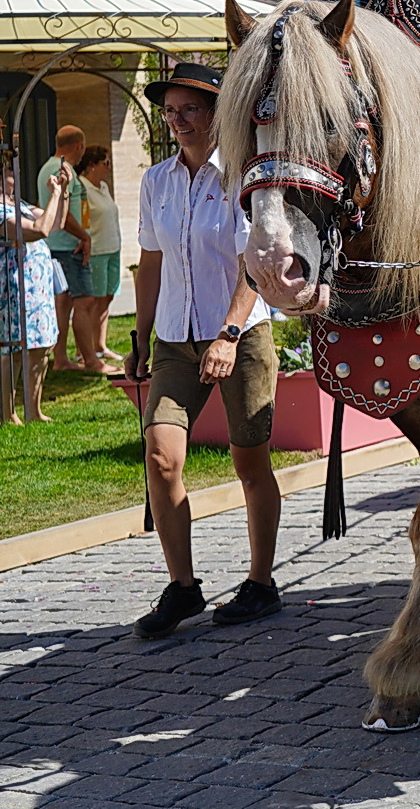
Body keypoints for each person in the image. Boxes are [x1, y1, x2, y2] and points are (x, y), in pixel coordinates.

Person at [125, 63, 282, 638]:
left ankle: (262, 583)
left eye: (191, 109)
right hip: (173, 338)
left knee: (250, 463)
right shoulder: (156, 181)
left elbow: (256, 264)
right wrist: (140, 337)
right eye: (171, 111)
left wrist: (229, 334)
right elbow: (152, 261)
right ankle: (183, 587)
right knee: (162, 456)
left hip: (241, 337)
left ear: (217, 113)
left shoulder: (246, 177)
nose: (179, 121)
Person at [0, 160, 72, 424]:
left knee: (41, 347)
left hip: (37, 290)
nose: (16, 176)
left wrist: (63, 191)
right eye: (11, 172)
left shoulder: (19, 205)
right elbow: (38, 230)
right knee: (13, 351)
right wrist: (54, 194)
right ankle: (7, 414)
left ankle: (33, 410)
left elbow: (55, 223)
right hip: (14, 290)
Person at [35, 126, 94, 372]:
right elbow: (64, 213)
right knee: (85, 300)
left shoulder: (47, 168)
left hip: (58, 244)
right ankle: (91, 359)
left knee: (64, 303)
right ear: (78, 145)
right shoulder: (62, 169)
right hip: (68, 246)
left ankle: (60, 359)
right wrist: (84, 237)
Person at [75, 146, 123, 363]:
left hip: (112, 248)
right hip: (96, 252)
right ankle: (83, 351)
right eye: (106, 163)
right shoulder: (82, 188)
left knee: (107, 297)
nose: (109, 168)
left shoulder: (103, 186)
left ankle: (100, 346)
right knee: (92, 301)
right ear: (92, 165)